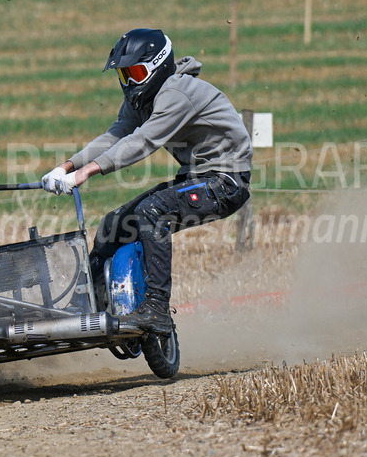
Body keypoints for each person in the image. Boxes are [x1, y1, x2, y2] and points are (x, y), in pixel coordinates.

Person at [41, 28, 252, 335]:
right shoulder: (142, 98)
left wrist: (86, 173)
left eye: (135, 73)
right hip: (195, 178)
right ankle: (85, 307)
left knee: (152, 212)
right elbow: (116, 134)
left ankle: (157, 309)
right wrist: (67, 166)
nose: (128, 83)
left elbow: (143, 141)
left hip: (226, 182)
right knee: (113, 225)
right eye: (123, 75)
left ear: (159, 65)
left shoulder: (177, 93)